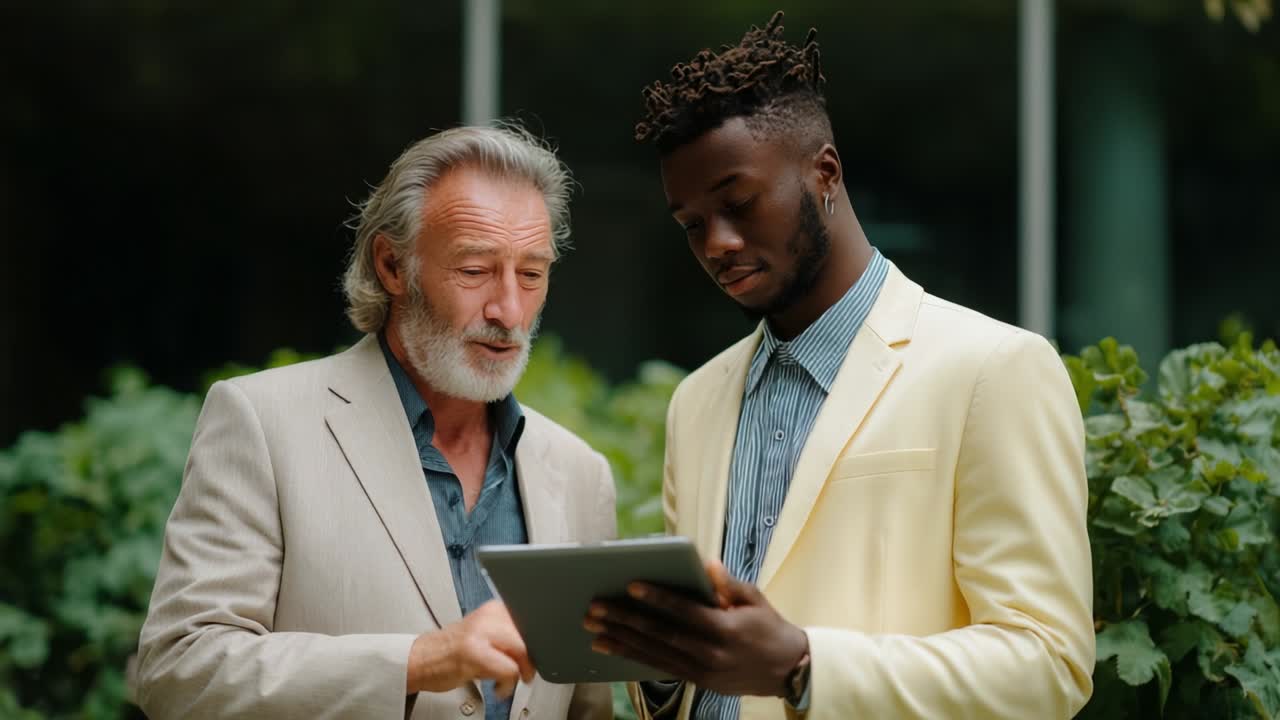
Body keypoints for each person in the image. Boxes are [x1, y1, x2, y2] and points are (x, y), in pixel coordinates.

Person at [585, 12, 1095, 719]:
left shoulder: (995, 370)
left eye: (738, 203)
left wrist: (803, 666)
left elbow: (1048, 662)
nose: (717, 244)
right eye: (692, 224)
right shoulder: (696, 401)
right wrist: (665, 661)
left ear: (824, 174)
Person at [136, 124, 616, 720]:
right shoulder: (261, 420)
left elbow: (588, 709)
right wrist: (418, 661)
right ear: (392, 265)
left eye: (531, 274)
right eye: (474, 270)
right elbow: (180, 670)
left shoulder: (580, 472)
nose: (509, 311)